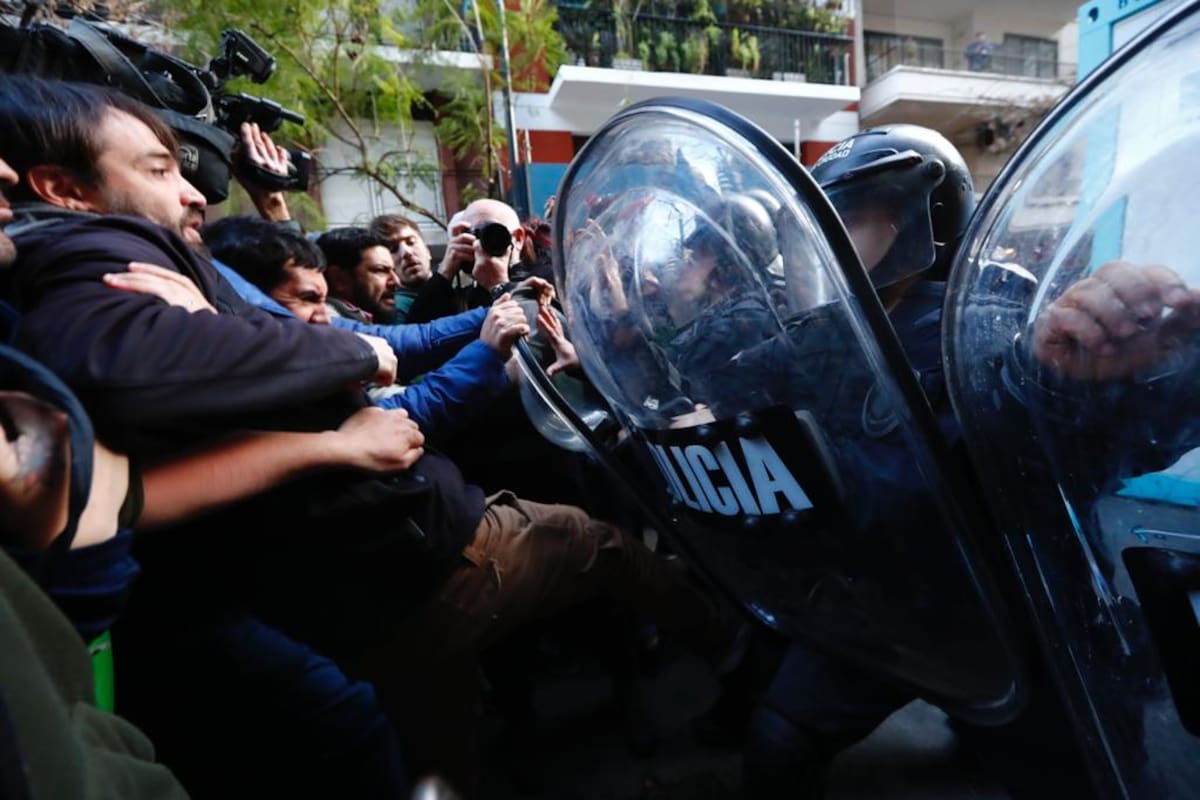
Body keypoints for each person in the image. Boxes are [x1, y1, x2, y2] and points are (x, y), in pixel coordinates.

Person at [0, 76, 736, 796]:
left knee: (435, 728)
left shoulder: (178, 273)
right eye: (159, 169)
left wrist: (490, 312)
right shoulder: (100, 273)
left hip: (385, 558)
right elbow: (137, 381)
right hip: (405, 554)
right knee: (594, 548)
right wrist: (379, 368)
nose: (193, 192)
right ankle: (735, 651)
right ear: (64, 189)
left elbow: (391, 341)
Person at [205, 214, 518, 440]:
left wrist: (502, 304)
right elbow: (402, 412)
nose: (323, 316)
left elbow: (416, 340)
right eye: (381, 269)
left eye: (412, 242)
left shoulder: (321, 325)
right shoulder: (283, 367)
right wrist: (489, 354)